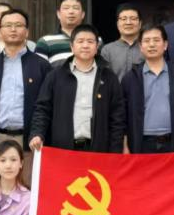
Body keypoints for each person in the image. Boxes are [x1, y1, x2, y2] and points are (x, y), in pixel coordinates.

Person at [28, 24, 125, 153]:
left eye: (90, 41)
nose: (85, 45)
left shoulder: (108, 77)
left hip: (98, 150)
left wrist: (115, 149)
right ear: (72, 47)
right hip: (63, 149)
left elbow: (117, 117)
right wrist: (37, 133)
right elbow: (42, 109)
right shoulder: (55, 76)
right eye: (80, 41)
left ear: (97, 47)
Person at [0, 9, 50, 182]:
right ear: (0, 30)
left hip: (28, 141)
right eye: (8, 25)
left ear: (27, 31)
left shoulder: (41, 65)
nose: (13, 29)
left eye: (18, 25)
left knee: (26, 190)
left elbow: (46, 105)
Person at [122, 24, 174, 154]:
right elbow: (123, 114)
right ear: (141, 47)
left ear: (165, 45)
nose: (151, 45)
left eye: (156, 40)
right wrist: (124, 144)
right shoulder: (131, 78)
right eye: (147, 41)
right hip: (141, 144)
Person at [35, 0, 88, 68]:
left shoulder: (95, 41)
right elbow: (38, 71)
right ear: (58, 14)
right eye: (66, 8)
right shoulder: (45, 42)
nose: (71, 12)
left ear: (83, 14)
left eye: (75, 8)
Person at [100, 3, 143, 80]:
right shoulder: (107, 50)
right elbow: (104, 80)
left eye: (133, 19)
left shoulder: (147, 48)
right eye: (123, 19)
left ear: (140, 24)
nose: (128, 22)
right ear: (117, 24)